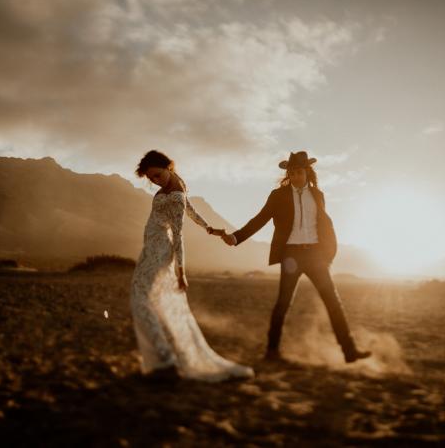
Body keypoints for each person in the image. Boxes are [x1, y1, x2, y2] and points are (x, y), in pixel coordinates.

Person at [221, 151, 371, 363]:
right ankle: (272, 352)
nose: (296, 177)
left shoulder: (318, 195)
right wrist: (236, 237)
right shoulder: (278, 195)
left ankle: (349, 351)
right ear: (288, 174)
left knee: (333, 302)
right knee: (283, 303)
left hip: (317, 255)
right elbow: (260, 219)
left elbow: (324, 224)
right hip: (291, 255)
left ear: (307, 172)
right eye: (292, 173)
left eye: (299, 172)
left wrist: (328, 254)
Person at [130, 150, 254, 381]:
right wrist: (207, 227)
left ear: (169, 166)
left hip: (159, 251)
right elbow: (192, 211)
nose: (155, 181)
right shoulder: (178, 189)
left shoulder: (175, 195)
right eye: (151, 179)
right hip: (150, 250)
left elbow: (178, 235)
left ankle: (164, 360)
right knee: (152, 299)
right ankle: (165, 358)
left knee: (140, 299)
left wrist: (181, 272)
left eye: (157, 175)